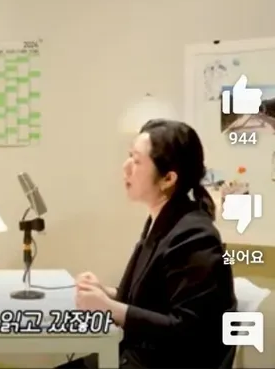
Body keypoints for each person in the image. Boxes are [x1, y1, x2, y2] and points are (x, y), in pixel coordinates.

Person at [59, 119, 236, 369]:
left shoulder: (196, 237)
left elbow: (187, 329)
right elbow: (154, 298)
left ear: (168, 178)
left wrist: (109, 308)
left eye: (137, 160)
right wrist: (106, 293)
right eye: (129, 156)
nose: (126, 167)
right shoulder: (162, 220)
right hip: (131, 355)